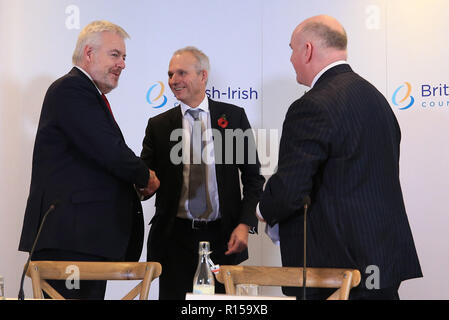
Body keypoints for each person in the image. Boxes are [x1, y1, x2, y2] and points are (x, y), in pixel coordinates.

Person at [257, 15, 422, 300]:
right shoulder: (376, 99)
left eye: (292, 50)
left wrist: (259, 210)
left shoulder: (311, 105)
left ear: (307, 50)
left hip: (339, 270)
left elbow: (290, 190)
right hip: (382, 262)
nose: (292, 59)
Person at [18, 20, 160, 299]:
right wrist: (145, 176)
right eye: (115, 54)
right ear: (89, 53)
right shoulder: (71, 89)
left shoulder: (86, 95)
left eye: (124, 57)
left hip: (85, 241)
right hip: (71, 241)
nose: (122, 64)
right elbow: (108, 149)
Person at [141, 46, 265, 300]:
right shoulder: (159, 126)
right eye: (170, 74)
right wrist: (142, 184)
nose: (173, 81)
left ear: (203, 76)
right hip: (174, 241)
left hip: (223, 240)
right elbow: (145, 180)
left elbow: (253, 178)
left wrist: (244, 225)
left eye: (182, 73)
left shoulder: (233, 118)